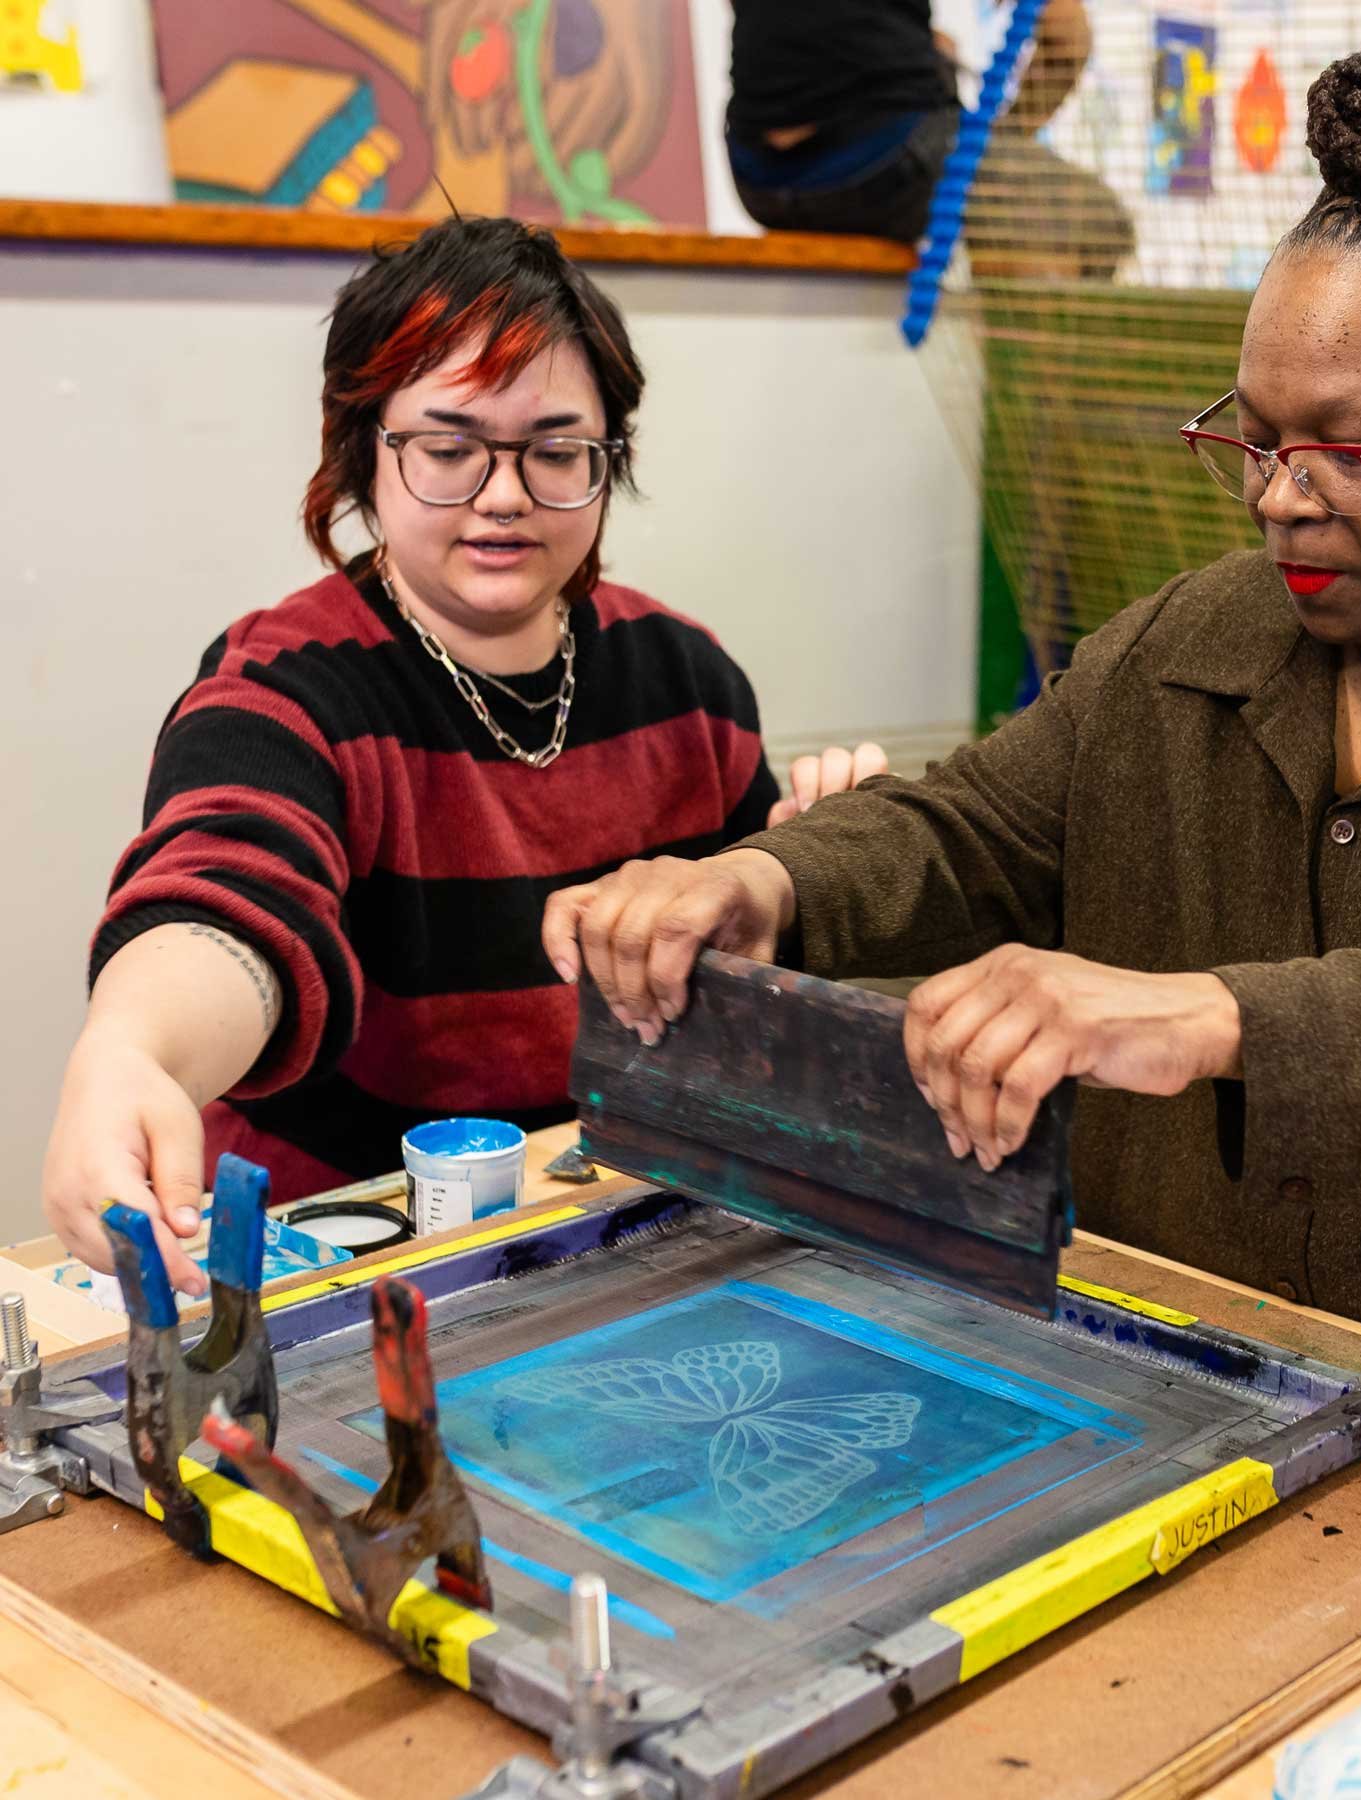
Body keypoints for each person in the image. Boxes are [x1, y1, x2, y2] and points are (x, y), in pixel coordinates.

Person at [543, 51, 1361, 1461]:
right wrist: (766, 884)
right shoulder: (1196, 641)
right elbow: (976, 827)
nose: (1282, 497)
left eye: (1351, 450)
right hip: (1212, 1405)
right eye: (1256, 443)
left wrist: (1211, 1021)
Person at [41, 216, 884, 1296]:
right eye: (448, 448)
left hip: (621, 1233)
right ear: (364, 453)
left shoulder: (687, 679)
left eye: (555, 451)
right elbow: (228, 901)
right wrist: (132, 1052)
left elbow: (734, 1009)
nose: (503, 495)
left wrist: (818, 876)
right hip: (344, 1265)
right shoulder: (285, 686)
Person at [724, 0, 1092, 243]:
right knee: (1099, 224)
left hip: (757, 177)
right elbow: (1066, 37)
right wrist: (1004, 143)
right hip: (888, 167)